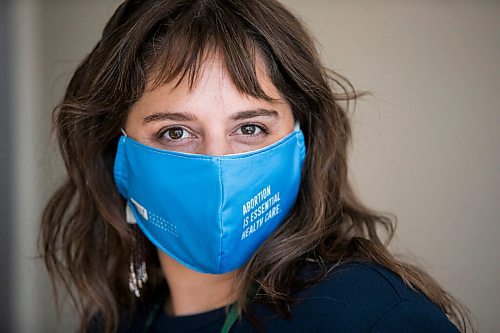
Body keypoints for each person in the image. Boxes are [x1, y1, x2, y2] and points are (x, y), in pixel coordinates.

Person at [40, 0, 473, 332]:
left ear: (302, 141)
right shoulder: (113, 323)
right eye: (175, 132)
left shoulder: (370, 313)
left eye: (249, 128)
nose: (219, 163)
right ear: (115, 150)